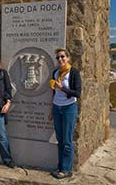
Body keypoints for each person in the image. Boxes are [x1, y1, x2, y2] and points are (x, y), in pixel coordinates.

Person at [49, 48, 81, 179]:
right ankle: (61, 166)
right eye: (58, 57)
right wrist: (51, 109)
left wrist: (62, 87)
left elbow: (77, 93)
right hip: (57, 108)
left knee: (67, 141)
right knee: (60, 139)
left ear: (68, 58)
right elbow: (54, 93)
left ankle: (67, 169)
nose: (60, 59)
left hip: (69, 108)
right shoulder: (55, 73)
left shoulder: (73, 73)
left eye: (62, 56)